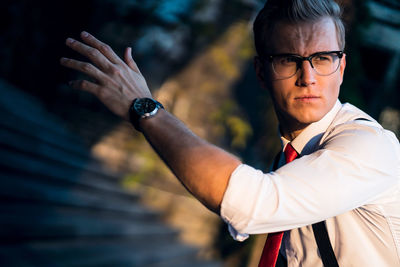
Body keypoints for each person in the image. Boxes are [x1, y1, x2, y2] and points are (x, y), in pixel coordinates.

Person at [60, 0, 400, 266]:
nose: (307, 77)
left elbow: (252, 204)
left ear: (341, 67)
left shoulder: (370, 146)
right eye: (287, 60)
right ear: (261, 72)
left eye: (323, 58)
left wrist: (144, 108)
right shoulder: (292, 155)